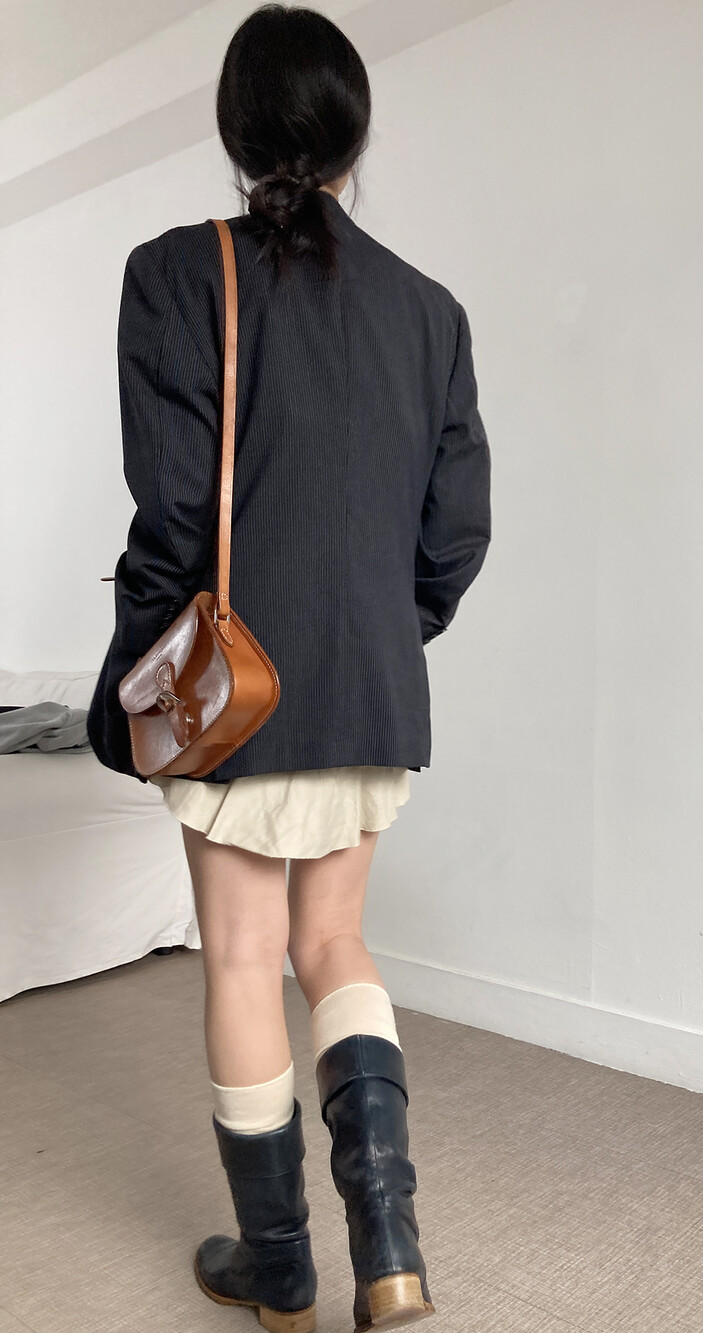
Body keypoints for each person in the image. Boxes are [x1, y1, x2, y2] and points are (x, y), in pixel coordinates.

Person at [85, 5, 492, 1330]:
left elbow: (170, 516)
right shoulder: (430, 311)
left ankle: (281, 1272)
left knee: (245, 953)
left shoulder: (175, 273)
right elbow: (456, 533)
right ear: (353, 138)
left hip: (242, 691)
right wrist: (377, 631)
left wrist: (127, 689)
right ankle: (393, 1254)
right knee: (335, 940)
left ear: (235, 132)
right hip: (373, 686)